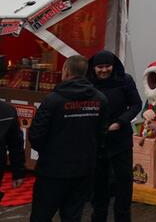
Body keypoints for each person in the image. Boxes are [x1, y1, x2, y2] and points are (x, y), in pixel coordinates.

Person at [29, 55, 108, 222]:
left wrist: (49, 153)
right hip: (83, 170)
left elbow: (36, 135)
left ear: (65, 71)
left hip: (52, 171)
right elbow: (102, 134)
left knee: (41, 216)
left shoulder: (53, 100)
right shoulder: (100, 99)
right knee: (73, 216)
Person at [86, 50, 142, 222]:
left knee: (124, 182)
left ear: (114, 66)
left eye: (107, 66)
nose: (103, 70)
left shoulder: (125, 80)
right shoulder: (88, 83)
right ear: (93, 68)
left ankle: (123, 217)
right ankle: (98, 217)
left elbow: (136, 104)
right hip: (97, 141)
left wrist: (121, 122)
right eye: (99, 67)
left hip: (121, 139)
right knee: (99, 184)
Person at [0, 100, 26, 200]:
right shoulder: (7, 110)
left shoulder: (7, 111)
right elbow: (16, 143)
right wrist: (18, 172)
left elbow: (15, 143)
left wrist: (18, 172)